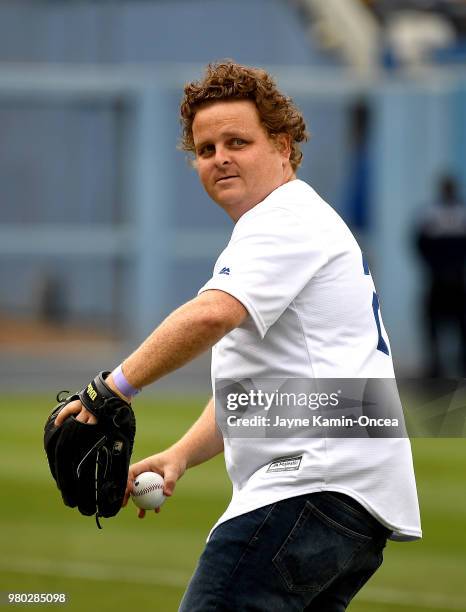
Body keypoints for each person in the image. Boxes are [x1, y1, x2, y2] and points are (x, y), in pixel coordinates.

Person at [55, 61, 421, 611]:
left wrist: (111, 388)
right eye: (206, 149)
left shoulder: (283, 218)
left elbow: (210, 316)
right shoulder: (295, 220)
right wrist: (180, 455)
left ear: (283, 146)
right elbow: (265, 392)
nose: (220, 157)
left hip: (310, 487)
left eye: (237, 141)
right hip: (348, 499)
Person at [415, 174, 466, 377]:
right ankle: (435, 366)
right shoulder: (431, 213)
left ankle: (459, 366)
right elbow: (419, 243)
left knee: (460, 325)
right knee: (433, 324)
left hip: (455, 279)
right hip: (439, 278)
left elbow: (419, 243)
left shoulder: (459, 213)